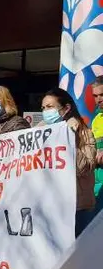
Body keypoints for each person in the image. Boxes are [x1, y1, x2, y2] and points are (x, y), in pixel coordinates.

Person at [39, 88, 96, 236]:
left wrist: (69, 138)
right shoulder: (39, 132)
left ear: (66, 108)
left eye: (50, 107)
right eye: (43, 108)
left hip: (77, 207)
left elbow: (83, 168)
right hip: (48, 206)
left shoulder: (84, 133)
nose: (46, 111)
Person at [89, 77, 103, 214]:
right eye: (95, 96)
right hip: (97, 187)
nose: (99, 99)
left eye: (102, 95)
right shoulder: (96, 120)